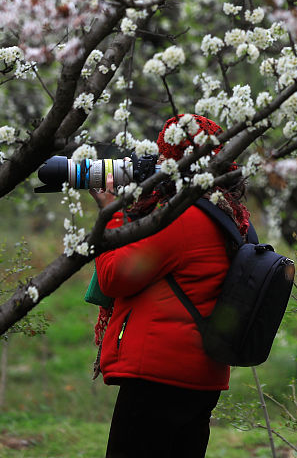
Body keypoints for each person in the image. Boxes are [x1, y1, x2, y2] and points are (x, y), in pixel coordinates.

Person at [87, 113, 250, 458]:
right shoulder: (228, 212)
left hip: (160, 377)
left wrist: (112, 213)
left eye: (164, 158)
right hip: (200, 375)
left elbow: (114, 275)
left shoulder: (186, 217)